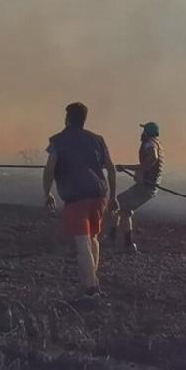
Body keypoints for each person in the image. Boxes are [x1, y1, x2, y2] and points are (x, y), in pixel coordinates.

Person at [43, 102, 118, 297]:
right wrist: (114, 197)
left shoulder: (58, 141)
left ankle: (91, 289)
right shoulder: (97, 140)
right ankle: (93, 280)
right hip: (99, 195)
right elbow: (111, 169)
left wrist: (47, 193)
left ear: (67, 119)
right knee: (93, 237)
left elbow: (50, 169)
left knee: (82, 241)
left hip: (77, 197)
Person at [111, 122, 164, 253]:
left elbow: (153, 158)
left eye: (144, 130)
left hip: (147, 186)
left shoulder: (149, 144)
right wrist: (128, 168)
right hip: (149, 186)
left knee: (118, 203)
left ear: (146, 132)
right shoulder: (156, 143)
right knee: (123, 207)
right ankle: (119, 240)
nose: (142, 133)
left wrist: (140, 170)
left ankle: (124, 243)